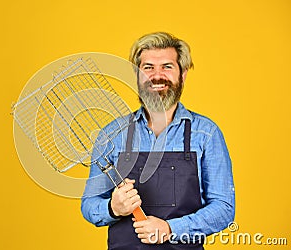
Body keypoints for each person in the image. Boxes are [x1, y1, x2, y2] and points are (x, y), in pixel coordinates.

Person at [81, 32, 235, 249]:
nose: (157, 75)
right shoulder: (112, 134)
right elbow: (89, 205)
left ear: (183, 75)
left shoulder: (206, 134)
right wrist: (112, 209)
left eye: (167, 67)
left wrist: (171, 229)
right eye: (148, 67)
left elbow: (224, 208)